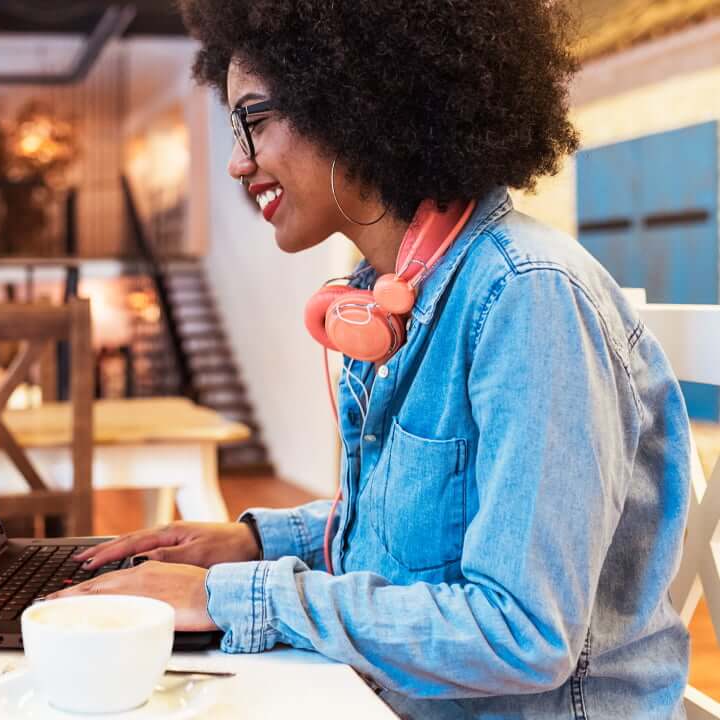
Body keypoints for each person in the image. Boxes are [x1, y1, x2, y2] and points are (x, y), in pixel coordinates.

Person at [46, 1, 693, 716]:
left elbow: (522, 633)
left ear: (358, 106)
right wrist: (251, 541)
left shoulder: (528, 298)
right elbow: (429, 525)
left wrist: (223, 597)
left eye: (254, 121)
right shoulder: (390, 299)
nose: (238, 163)